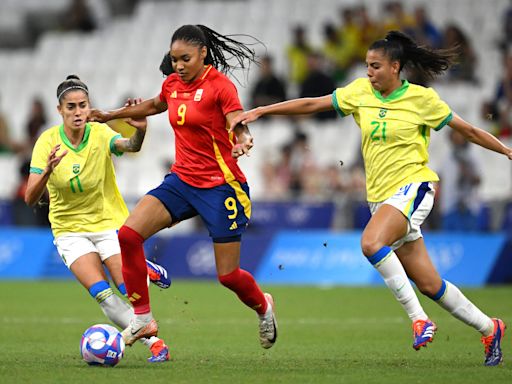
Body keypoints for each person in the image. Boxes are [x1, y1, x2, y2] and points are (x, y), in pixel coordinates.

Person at [231, 30, 510, 366]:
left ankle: (419, 320)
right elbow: (312, 103)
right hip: (380, 198)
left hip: (414, 186)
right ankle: (489, 327)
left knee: (370, 243)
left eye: (375, 66)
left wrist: (506, 150)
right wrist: (263, 111)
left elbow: (468, 130)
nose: (369, 72)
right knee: (429, 283)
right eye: (367, 66)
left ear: (395, 66)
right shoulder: (361, 92)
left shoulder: (423, 100)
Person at [89, 25, 277, 351]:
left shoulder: (220, 86)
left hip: (221, 188)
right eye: (174, 59)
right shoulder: (173, 83)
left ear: (203, 53)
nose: (178, 66)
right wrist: (110, 114)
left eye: (185, 58)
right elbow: (154, 105)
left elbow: (236, 118)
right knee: (128, 236)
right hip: (181, 181)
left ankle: (264, 306)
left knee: (228, 276)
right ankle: (142, 316)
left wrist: (244, 139)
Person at [25, 75, 172, 363]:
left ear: (89, 106)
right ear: (60, 110)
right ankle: (156, 344)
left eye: (82, 105)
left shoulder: (100, 133)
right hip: (69, 231)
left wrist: (140, 131)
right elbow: (31, 197)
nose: (78, 112)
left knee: (128, 288)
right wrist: (47, 171)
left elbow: (130, 146)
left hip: (108, 224)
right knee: (103, 295)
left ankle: (143, 271)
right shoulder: (47, 142)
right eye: (71, 107)